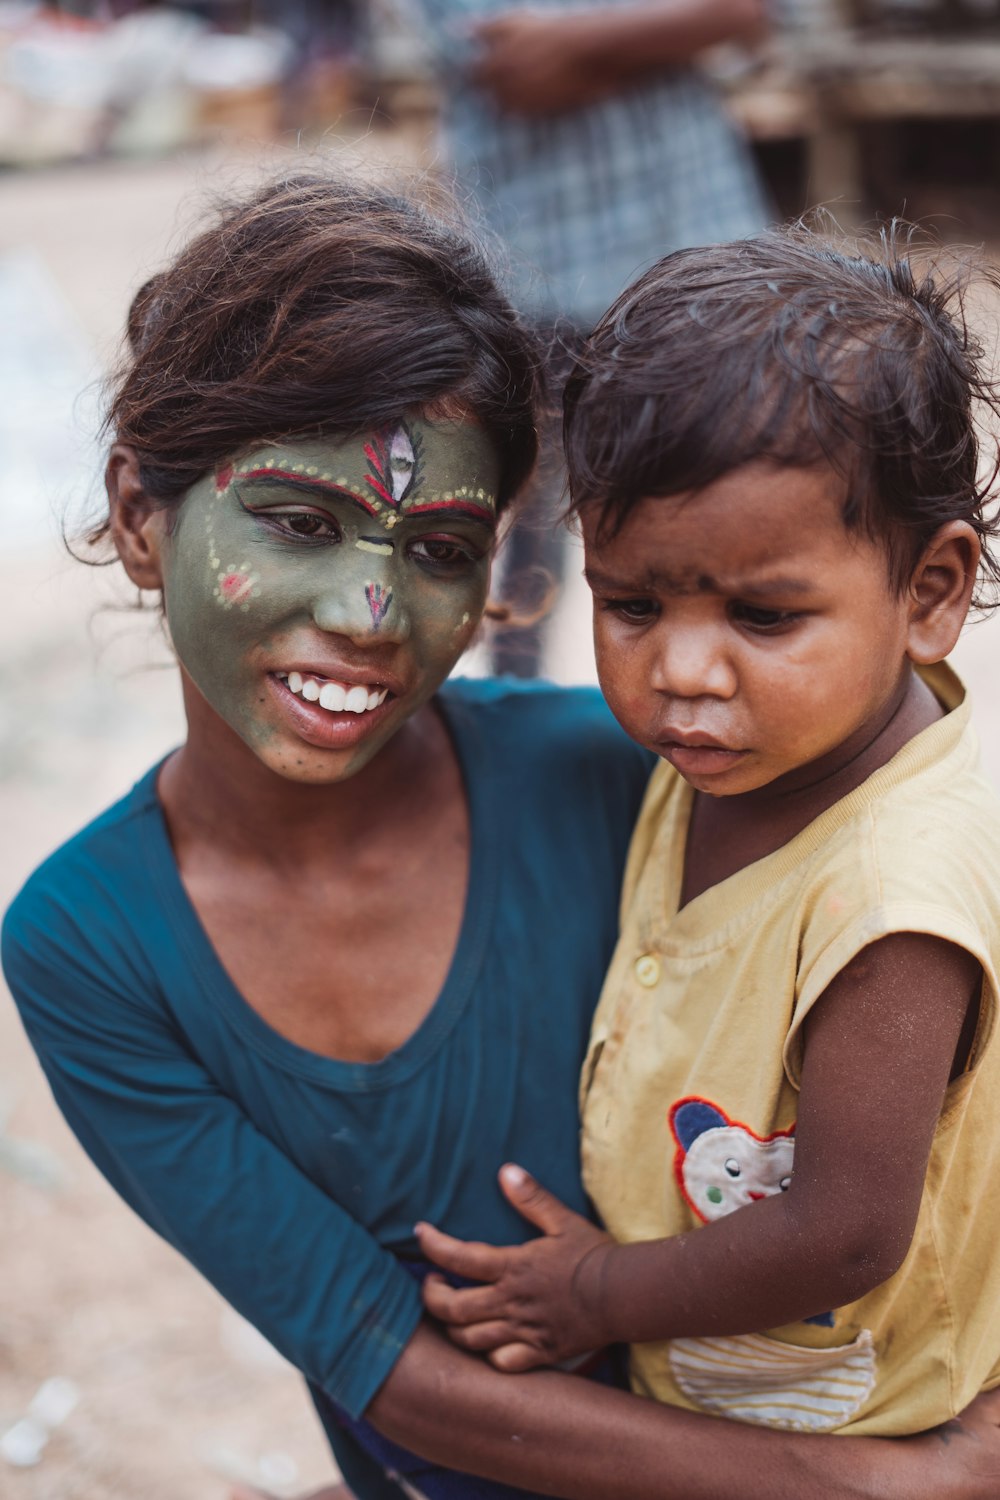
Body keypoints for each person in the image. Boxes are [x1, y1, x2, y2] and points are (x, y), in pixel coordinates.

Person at [2, 177, 999, 1500]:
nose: (366, 608)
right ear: (140, 514)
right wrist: (890, 1488)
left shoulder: (639, 771)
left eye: (438, 544)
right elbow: (396, 1372)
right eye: (299, 524)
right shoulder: (91, 944)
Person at [416, 228, 1000, 1437]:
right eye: (630, 604)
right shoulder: (751, 758)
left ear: (931, 593)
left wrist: (593, 1293)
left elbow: (842, 1229)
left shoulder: (892, 892)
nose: (681, 671)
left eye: (762, 614)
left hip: (844, 1425)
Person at [411, 0, 773, 674]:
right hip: (537, 266)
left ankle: (720, 711)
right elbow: (515, 70)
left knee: (727, 507)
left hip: (700, 256)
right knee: (520, 526)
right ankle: (517, 703)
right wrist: (661, 40)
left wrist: (582, 45)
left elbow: (747, 12)